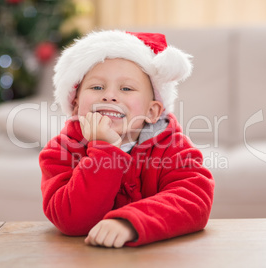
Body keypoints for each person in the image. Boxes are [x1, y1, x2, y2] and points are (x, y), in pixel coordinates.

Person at [39, 30, 215, 248]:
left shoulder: (172, 147)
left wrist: (129, 222)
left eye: (126, 88)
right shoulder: (61, 151)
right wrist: (103, 149)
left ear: (152, 111)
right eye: (96, 87)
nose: (110, 96)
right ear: (75, 105)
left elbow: (194, 201)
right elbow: (70, 220)